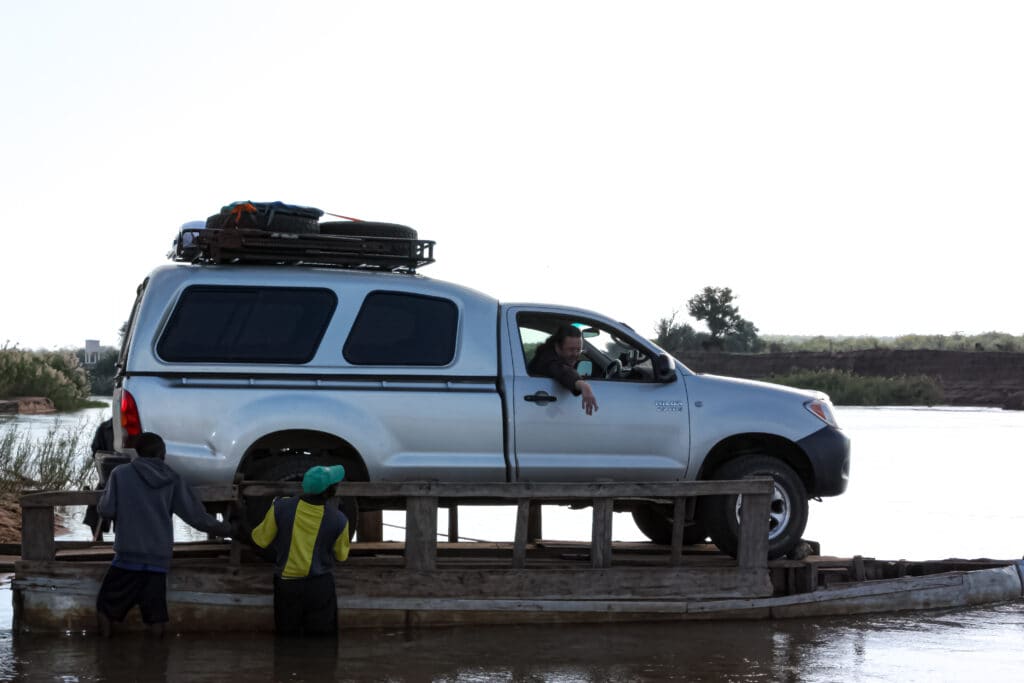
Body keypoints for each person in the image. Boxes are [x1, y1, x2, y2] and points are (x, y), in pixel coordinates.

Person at [95, 432, 233, 637]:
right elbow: (196, 518)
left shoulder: (120, 474)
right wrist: (229, 530)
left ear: (137, 451)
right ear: (163, 454)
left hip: (127, 558)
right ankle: (157, 663)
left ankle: (105, 656)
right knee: (155, 617)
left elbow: (106, 510)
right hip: (158, 560)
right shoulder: (173, 479)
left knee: (104, 608)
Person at [251, 465, 351, 636]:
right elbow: (341, 556)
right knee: (322, 643)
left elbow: (259, 540)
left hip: (287, 587)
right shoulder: (339, 520)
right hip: (320, 586)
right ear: (330, 492)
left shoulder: (280, 508)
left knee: (288, 639)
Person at [527, 324, 599, 415]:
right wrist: (583, 385)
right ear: (557, 347)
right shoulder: (547, 360)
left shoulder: (556, 356)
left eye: (578, 350)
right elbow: (562, 372)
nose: (575, 354)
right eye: (571, 350)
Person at [84, 418, 115, 540]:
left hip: (133, 480)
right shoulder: (105, 428)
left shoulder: (139, 425)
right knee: (94, 511)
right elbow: (96, 451)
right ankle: (98, 543)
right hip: (108, 477)